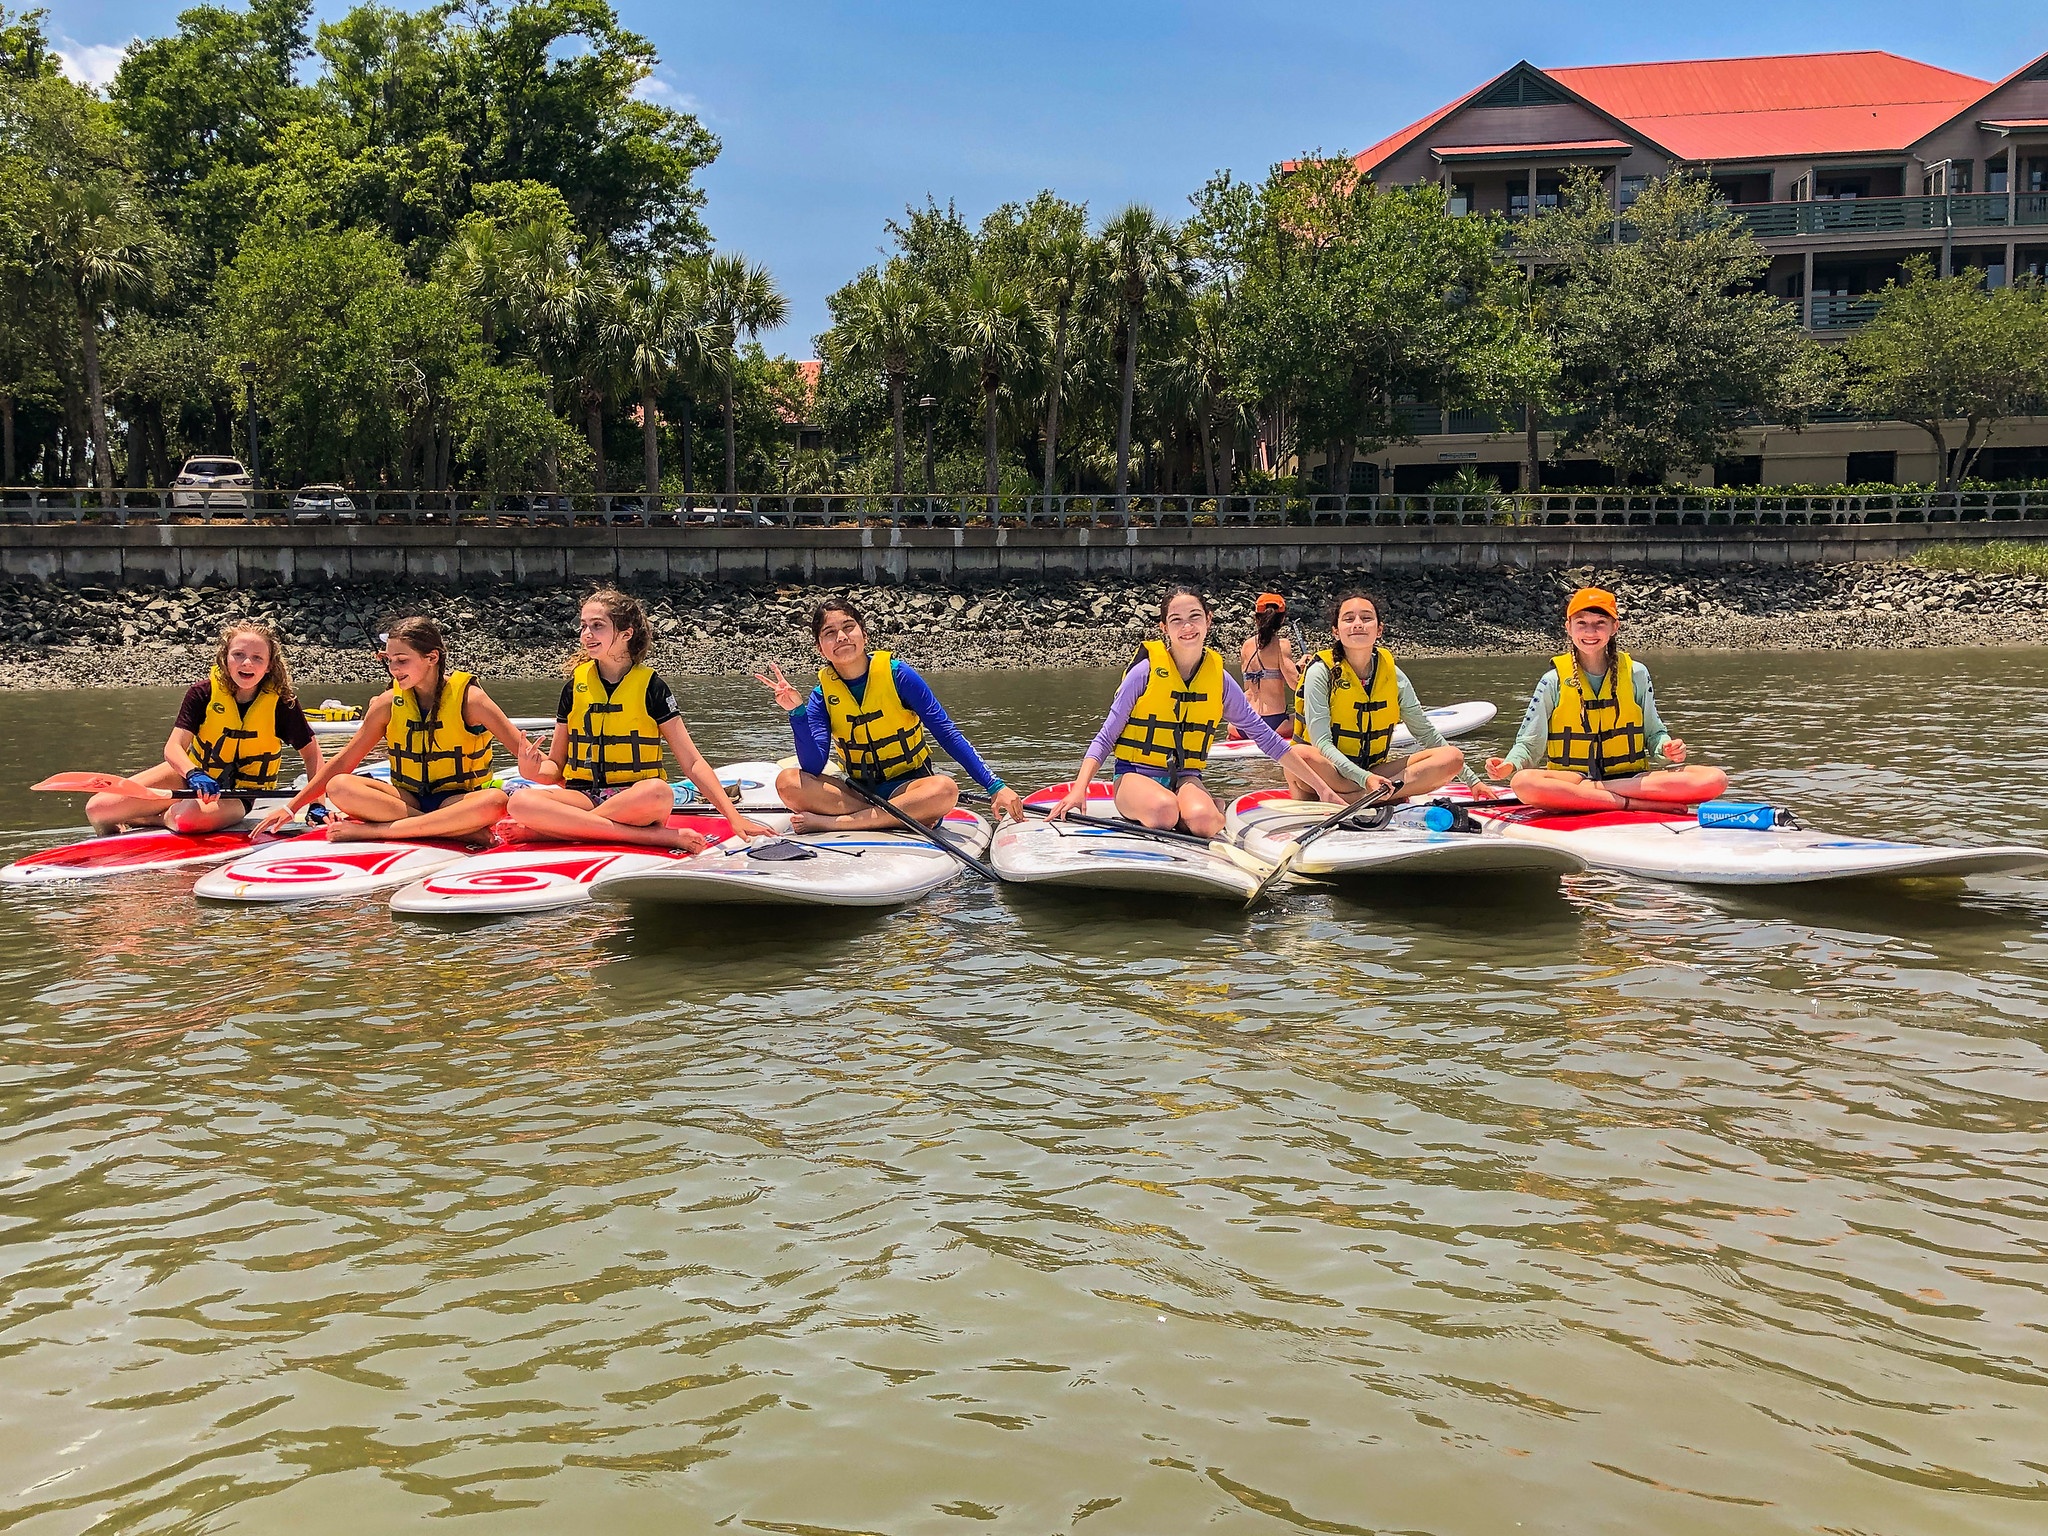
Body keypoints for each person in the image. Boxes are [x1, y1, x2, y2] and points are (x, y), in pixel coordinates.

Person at [1046, 586, 1344, 837]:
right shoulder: (1144, 673)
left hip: (1186, 776)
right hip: (1135, 775)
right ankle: (1176, 805)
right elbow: (1106, 736)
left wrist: (1323, 789)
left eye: (1194, 618)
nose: (1187, 627)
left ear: (1208, 621)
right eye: (1176, 620)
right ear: (1164, 628)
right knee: (1163, 811)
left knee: (1207, 823)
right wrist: (1079, 788)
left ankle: (1208, 804)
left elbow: (1268, 740)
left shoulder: (1220, 680)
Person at [508, 588, 773, 849]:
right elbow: (555, 765)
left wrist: (733, 817)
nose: (586, 634)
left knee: (659, 792)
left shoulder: (651, 687)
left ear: (626, 634)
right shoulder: (573, 687)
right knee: (519, 801)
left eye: (597, 626)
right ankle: (651, 837)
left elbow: (692, 762)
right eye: (584, 626)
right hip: (583, 797)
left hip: (635, 800)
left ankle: (560, 831)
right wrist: (532, 770)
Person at [256, 616, 546, 842]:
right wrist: (292, 807)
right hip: (406, 801)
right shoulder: (387, 703)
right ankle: (452, 831)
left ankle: (378, 831)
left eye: (402, 660)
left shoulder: (472, 700)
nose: (394, 669)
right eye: (390, 661)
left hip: (458, 800)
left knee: (495, 800)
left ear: (432, 658)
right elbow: (345, 761)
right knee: (340, 786)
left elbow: (529, 757)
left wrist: (559, 784)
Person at [754, 597, 1027, 832]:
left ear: (864, 635)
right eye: (829, 632)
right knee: (788, 782)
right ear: (820, 647)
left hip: (909, 788)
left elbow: (947, 733)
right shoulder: (822, 696)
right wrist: (797, 713)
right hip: (858, 793)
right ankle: (893, 818)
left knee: (945, 790)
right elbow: (813, 766)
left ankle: (841, 823)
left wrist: (995, 786)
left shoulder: (899, 676)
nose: (841, 637)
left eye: (849, 627)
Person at [1485, 586, 1728, 812]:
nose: (1590, 632)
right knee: (1524, 782)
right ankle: (1637, 805)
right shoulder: (1553, 680)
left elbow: (1654, 736)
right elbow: (1529, 745)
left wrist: (1667, 749)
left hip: (1624, 779)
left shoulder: (1636, 674)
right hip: (1572, 779)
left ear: (1614, 627)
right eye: (1582, 623)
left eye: (1600, 623)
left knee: (1714, 779)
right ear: (1568, 627)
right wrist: (1509, 765)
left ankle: (1595, 796)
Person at [88, 619, 323, 835]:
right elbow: (174, 747)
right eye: (238, 654)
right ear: (225, 657)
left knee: (186, 819)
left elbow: (312, 755)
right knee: (98, 809)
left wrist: (317, 804)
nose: (247, 663)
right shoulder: (202, 693)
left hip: (240, 792)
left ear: (269, 665)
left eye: (257, 658)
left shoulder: (281, 704)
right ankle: (140, 817)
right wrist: (193, 773)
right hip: (192, 776)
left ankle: (152, 819)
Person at [1290, 589, 1474, 804]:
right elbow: (1322, 743)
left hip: (1373, 773)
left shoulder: (1393, 675)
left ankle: (1362, 798)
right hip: (1329, 773)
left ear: (1379, 630)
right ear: (1336, 632)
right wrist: (1365, 778)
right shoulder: (1320, 672)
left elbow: (1425, 733)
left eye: (1366, 618)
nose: (1358, 624)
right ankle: (1380, 794)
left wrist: (1473, 781)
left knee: (1452, 757)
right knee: (1300, 755)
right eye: (1349, 619)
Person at [1234, 591, 1299, 738]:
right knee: (1309, 718)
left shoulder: (1246, 646)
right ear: (1282, 619)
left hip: (1242, 724)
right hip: (1274, 724)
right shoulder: (1282, 645)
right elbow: (1295, 684)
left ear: (1256, 619)